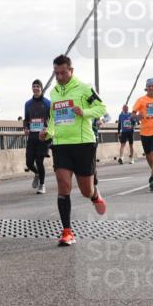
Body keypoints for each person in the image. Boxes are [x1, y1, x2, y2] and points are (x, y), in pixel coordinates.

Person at [41, 55, 107, 246]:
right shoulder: (53, 93)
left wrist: (84, 112)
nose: (59, 76)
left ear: (71, 71)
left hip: (83, 143)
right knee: (63, 185)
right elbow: (54, 118)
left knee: (86, 190)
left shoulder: (84, 88)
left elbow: (101, 107)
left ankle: (95, 195)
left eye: (63, 72)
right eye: (56, 73)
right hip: (61, 144)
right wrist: (48, 132)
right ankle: (67, 231)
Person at [131, 78, 153, 192]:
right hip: (145, 132)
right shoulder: (141, 100)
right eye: (149, 86)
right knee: (148, 156)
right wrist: (137, 117)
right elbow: (132, 115)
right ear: (146, 88)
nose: (151, 88)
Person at [23, 79, 51, 194]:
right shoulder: (28, 104)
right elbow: (26, 119)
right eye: (33, 86)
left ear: (41, 88)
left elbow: (52, 120)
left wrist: (47, 129)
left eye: (37, 86)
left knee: (39, 161)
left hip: (43, 137)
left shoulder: (48, 103)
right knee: (29, 162)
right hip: (32, 136)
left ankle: (42, 185)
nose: (35, 88)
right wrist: (25, 128)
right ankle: (37, 173)